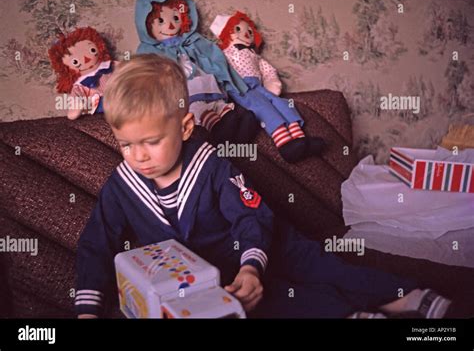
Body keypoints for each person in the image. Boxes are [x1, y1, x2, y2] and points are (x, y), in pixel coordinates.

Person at [75, 54, 452, 319]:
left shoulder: (212, 165)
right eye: (126, 144)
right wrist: (88, 311)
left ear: (185, 127)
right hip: (214, 279)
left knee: (326, 268)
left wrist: (252, 267)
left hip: (268, 245)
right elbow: (96, 245)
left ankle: (401, 295)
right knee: (271, 306)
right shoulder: (121, 187)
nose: (138, 156)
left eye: (151, 141)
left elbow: (251, 216)